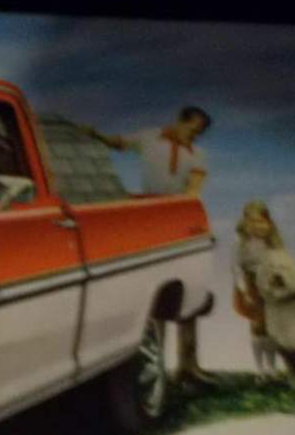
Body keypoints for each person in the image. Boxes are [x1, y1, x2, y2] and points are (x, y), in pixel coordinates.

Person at [89, 105, 213, 382]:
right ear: (180, 121)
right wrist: (94, 134)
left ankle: (188, 366)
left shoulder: (198, 154)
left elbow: (193, 190)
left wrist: (179, 216)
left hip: (179, 219)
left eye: (199, 133)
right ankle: (156, 366)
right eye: (192, 129)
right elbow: (118, 143)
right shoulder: (149, 138)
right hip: (150, 221)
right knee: (157, 293)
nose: (194, 136)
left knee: (189, 293)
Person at [232, 199, 283, 377]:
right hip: (251, 284)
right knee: (257, 324)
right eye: (252, 222)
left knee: (272, 325)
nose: (257, 226)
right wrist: (244, 290)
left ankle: (271, 366)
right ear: (245, 223)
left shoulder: (272, 243)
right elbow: (236, 267)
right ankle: (259, 368)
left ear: (268, 222)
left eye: (261, 221)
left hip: (270, 284)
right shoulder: (241, 243)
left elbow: (280, 263)